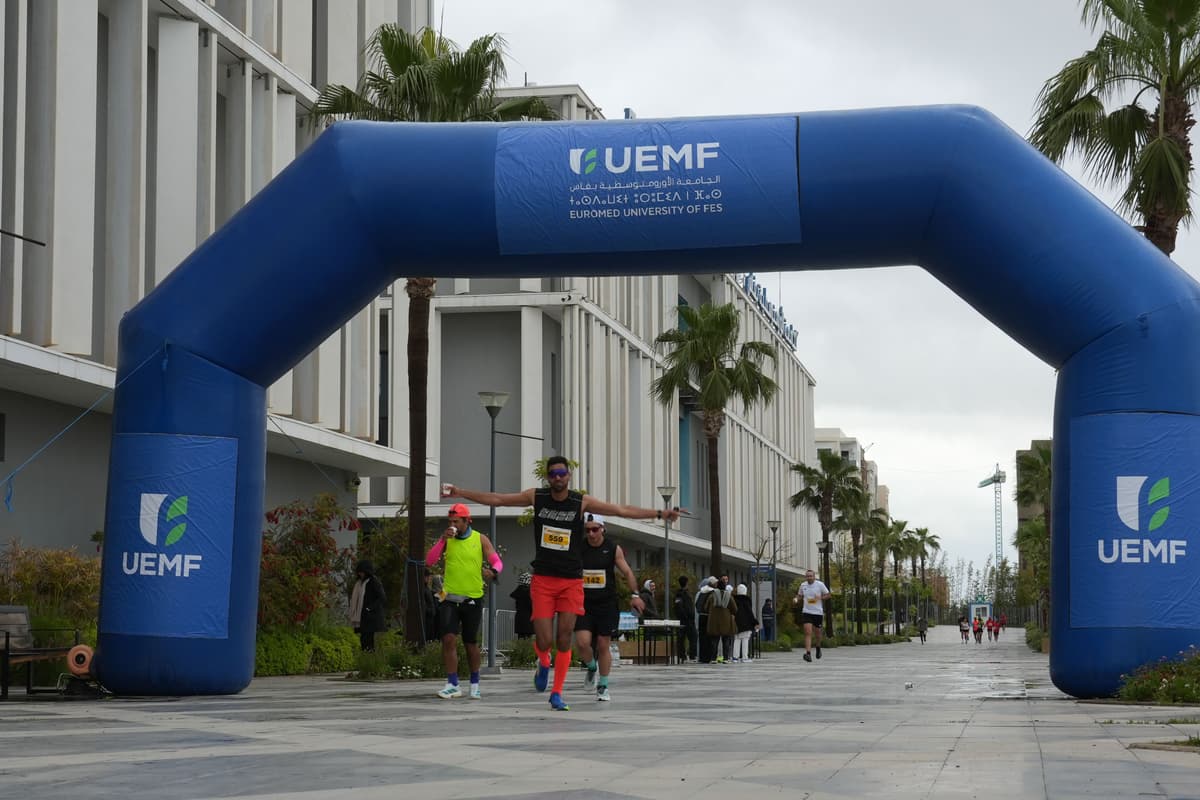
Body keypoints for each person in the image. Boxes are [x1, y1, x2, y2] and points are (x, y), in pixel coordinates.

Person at [442, 455, 680, 711]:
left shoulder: (580, 502)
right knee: (545, 641)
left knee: (565, 638)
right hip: (544, 579)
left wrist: (659, 513)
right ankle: (543, 661)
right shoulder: (537, 497)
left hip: (571, 581)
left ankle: (556, 693)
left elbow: (620, 510)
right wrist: (460, 492)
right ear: (548, 476)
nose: (558, 477)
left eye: (562, 473)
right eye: (553, 473)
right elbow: (498, 499)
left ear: (568, 476)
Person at [424, 503, 502, 700]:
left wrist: (492, 572)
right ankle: (452, 683)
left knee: (470, 642)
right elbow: (430, 561)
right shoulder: (447, 540)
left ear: (467, 521)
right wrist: (442, 540)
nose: (453, 525)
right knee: (448, 638)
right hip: (449, 597)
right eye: (450, 521)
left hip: (472, 598)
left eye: (456, 521)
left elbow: (497, 561)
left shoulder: (480, 539)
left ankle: (474, 682)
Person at [575, 514, 643, 701]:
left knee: (604, 644)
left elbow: (627, 572)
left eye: (594, 529)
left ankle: (603, 685)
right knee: (582, 642)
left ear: (602, 528)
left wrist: (635, 595)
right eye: (587, 530)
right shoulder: (580, 547)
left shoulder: (613, 548)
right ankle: (591, 667)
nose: (591, 533)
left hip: (606, 603)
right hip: (584, 603)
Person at [349, 560, 386, 652]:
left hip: (371, 617)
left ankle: (369, 658)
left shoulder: (374, 582)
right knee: (364, 639)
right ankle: (366, 657)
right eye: (359, 572)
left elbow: (382, 598)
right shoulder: (359, 583)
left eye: (362, 572)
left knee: (368, 640)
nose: (360, 574)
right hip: (363, 617)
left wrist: (369, 608)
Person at [795, 569, 830, 662]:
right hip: (807, 611)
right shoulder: (803, 585)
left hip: (817, 612)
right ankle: (808, 653)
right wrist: (796, 599)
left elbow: (828, 595)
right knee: (807, 632)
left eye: (811, 576)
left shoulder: (820, 585)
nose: (809, 578)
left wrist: (821, 597)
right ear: (806, 577)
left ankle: (818, 647)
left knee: (818, 633)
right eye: (808, 576)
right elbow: (799, 595)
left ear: (814, 577)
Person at [707, 576, 738, 663]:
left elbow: (706, 607)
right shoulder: (729, 596)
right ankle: (726, 658)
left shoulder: (712, 596)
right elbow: (735, 609)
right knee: (726, 640)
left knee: (714, 640)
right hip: (726, 621)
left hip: (714, 621)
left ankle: (713, 658)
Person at [733, 584, 759, 662]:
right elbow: (749, 612)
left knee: (737, 639)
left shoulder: (734, 599)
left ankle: (735, 657)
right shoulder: (746, 600)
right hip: (746, 623)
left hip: (737, 622)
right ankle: (745, 657)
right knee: (745, 640)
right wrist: (755, 622)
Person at [674, 576, 697, 663]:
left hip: (686, 619)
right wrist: (687, 617)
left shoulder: (681, 594)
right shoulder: (681, 594)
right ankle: (690, 656)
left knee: (683, 638)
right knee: (690, 638)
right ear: (686, 583)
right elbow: (680, 608)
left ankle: (684, 655)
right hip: (687, 620)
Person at [695, 577, 716, 663]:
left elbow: (697, 604)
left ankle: (702, 657)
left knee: (702, 637)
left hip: (701, 616)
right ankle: (708, 657)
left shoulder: (701, 592)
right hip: (709, 617)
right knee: (709, 637)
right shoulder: (712, 593)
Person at [509, 571, 534, 640]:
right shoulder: (529, 593)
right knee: (528, 638)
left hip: (519, 618)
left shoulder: (518, 592)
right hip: (529, 618)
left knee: (520, 637)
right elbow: (531, 606)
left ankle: (520, 649)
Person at [421, 568, 439, 643]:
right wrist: (430, 611)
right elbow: (422, 604)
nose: (428, 578)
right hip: (426, 618)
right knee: (427, 638)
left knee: (431, 639)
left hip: (431, 618)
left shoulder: (427, 588)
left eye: (429, 576)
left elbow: (436, 596)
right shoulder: (422, 589)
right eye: (427, 576)